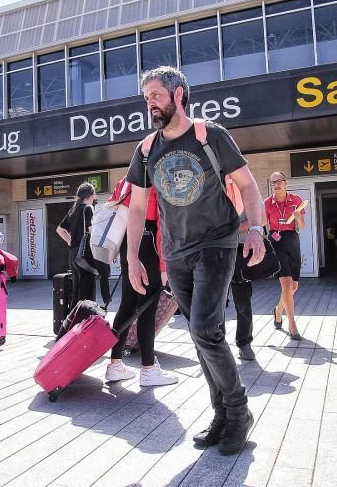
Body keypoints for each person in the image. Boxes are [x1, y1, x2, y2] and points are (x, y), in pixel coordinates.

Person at [126, 66, 265, 456]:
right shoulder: (146, 148)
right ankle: (221, 413)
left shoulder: (211, 134)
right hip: (175, 251)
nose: (150, 103)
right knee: (201, 336)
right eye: (147, 97)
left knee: (205, 330)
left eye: (156, 95)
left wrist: (255, 229)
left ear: (179, 94)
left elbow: (249, 186)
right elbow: (137, 208)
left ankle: (238, 412)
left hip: (217, 242)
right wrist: (134, 256)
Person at [104, 177, 178, 387]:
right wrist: (164, 267)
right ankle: (148, 369)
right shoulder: (157, 178)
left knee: (127, 305)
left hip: (129, 243)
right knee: (147, 308)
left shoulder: (124, 181)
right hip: (149, 243)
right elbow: (163, 223)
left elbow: (113, 205)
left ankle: (115, 364)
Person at [264, 171, 305, 339]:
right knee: (286, 285)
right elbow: (262, 223)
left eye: (279, 181)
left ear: (286, 182)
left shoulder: (296, 200)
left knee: (294, 287)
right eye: (273, 182)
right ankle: (292, 324)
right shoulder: (266, 203)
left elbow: (301, 226)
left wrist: (297, 218)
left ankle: (278, 310)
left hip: (292, 239)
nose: (276, 184)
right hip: (276, 240)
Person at [56, 182, 96, 304]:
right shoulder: (88, 208)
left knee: (77, 290)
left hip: (73, 255)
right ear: (91, 195)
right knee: (87, 292)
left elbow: (59, 230)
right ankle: (85, 320)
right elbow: (92, 232)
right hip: (84, 255)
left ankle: (73, 320)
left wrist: (71, 242)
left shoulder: (73, 210)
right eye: (94, 196)